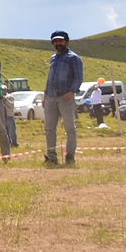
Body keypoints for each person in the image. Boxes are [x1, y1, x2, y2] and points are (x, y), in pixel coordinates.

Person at [43, 30, 82, 166]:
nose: (58, 43)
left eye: (60, 40)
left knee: (70, 127)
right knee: (49, 128)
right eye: (55, 41)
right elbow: (50, 78)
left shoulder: (73, 58)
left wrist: (71, 92)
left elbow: (78, 77)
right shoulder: (53, 58)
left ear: (66, 41)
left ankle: (70, 156)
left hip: (65, 98)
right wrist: (45, 95)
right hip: (51, 98)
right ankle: (51, 156)